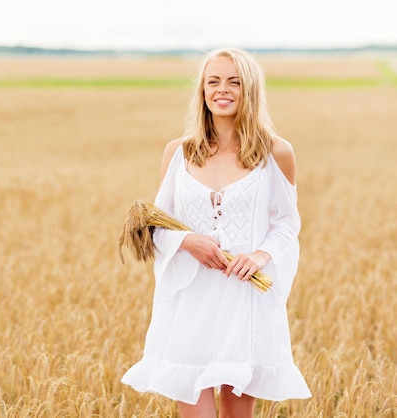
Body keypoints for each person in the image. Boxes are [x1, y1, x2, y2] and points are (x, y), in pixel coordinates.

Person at [121, 48, 311, 417]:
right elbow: (160, 225)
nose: (222, 90)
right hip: (191, 300)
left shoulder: (276, 152)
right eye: (214, 81)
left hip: (245, 298)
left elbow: (287, 223)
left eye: (234, 81)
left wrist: (259, 255)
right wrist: (187, 241)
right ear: (203, 91)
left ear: (249, 90)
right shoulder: (178, 152)